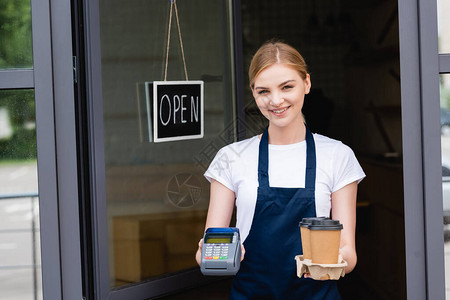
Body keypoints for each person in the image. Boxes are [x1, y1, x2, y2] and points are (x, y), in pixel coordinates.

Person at [195, 40, 366, 299]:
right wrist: (211, 254)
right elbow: (208, 247)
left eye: (287, 86)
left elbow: (348, 253)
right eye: (263, 91)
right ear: (253, 92)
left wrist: (329, 262)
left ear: (306, 84)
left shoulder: (338, 156)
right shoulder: (230, 158)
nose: (276, 100)